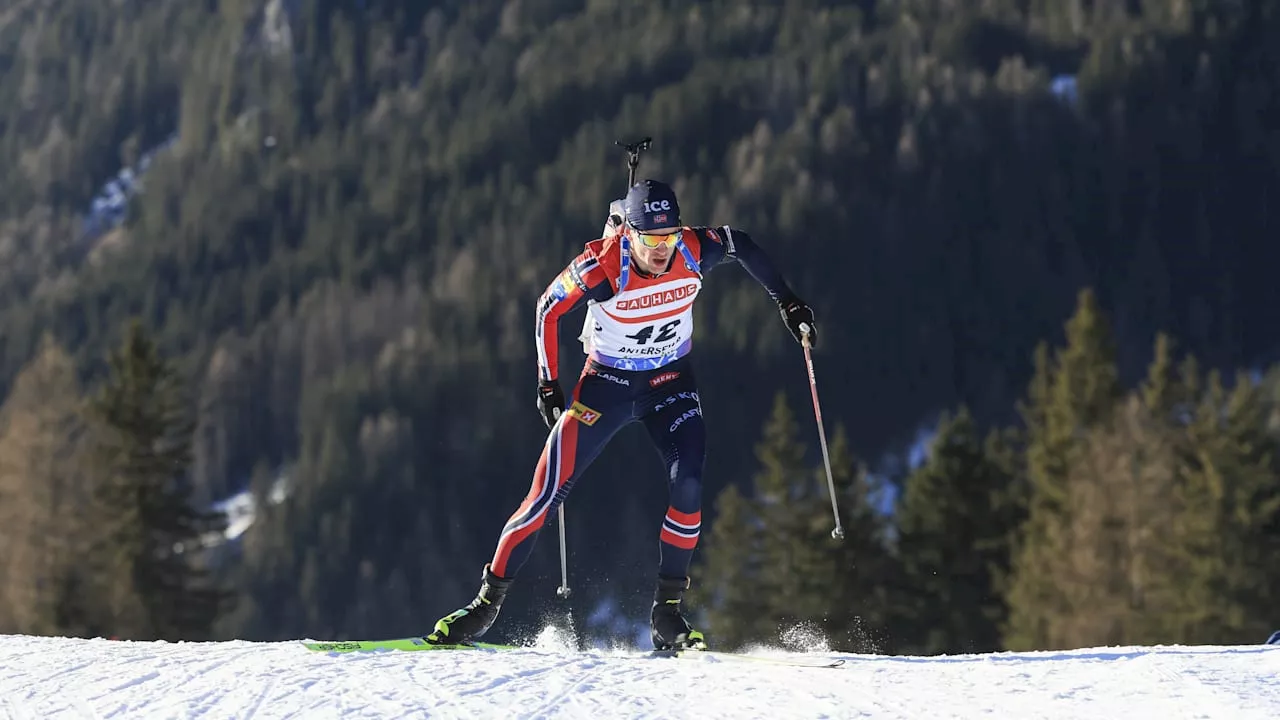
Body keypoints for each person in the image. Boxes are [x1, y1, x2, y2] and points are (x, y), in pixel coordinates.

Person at [426, 179, 817, 651]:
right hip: (606, 389)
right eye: (651, 240)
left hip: (670, 384)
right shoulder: (603, 265)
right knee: (546, 491)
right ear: (629, 233)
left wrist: (787, 300)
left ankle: (667, 613)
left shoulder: (693, 249)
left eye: (669, 236)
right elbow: (548, 309)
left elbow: (743, 245)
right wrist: (547, 383)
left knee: (689, 481)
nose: (662, 249)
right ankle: (484, 607)